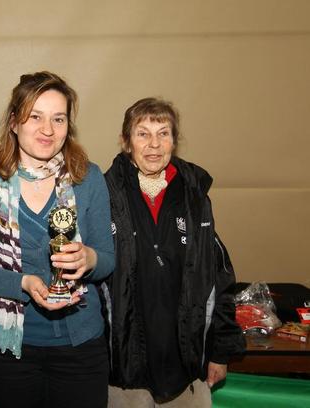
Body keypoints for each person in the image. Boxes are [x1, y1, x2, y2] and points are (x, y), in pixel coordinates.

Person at [0, 71, 115, 408]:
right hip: (7, 348)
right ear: (14, 122)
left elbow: (108, 258)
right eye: (35, 117)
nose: (48, 129)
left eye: (58, 118)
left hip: (81, 349)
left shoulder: (88, 178)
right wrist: (23, 283)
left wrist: (89, 259)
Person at [103, 97, 245, 407]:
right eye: (142, 134)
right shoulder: (103, 196)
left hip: (186, 368)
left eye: (163, 133)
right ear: (126, 141)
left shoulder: (195, 197)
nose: (154, 144)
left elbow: (218, 279)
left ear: (174, 141)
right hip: (123, 371)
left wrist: (220, 351)